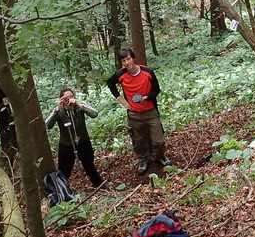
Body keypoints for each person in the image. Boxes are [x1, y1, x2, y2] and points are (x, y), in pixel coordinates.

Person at [106, 47, 172, 175]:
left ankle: (160, 157)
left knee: (158, 140)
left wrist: (147, 98)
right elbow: (110, 83)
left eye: (128, 59)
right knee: (138, 141)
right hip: (134, 114)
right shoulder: (120, 74)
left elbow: (156, 89)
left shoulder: (147, 72)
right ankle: (143, 160)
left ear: (134, 58)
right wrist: (121, 99)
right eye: (123, 61)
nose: (126, 63)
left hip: (150, 111)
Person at [45, 88, 105, 187]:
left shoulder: (79, 106)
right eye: (66, 98)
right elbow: (47, 125)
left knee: (89, 166)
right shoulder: (59, 111)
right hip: (66, 144)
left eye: (71, 97)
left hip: (83, 141)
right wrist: (57, 110)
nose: (69, 100)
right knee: (64, 170)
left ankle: (98, 183)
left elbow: (94, 114)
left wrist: (80, 105)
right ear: (61, 99)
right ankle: (63, 192)